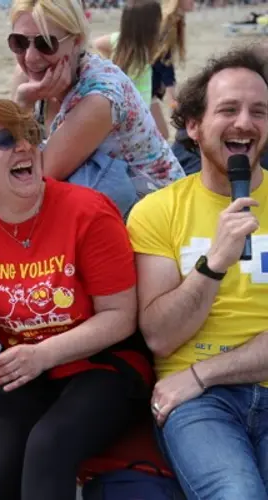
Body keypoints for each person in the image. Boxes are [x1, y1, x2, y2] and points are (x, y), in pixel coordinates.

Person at [0, 98, 153, 500]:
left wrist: (42, 355)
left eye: (31, 134)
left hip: (102, 364)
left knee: (48, 446)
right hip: (23, 366)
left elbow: (120, 317)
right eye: (6, 139)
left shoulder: (88, 212)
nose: (25, 146)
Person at [127, 47, 268, 499]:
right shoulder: (156, 212)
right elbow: (161, 338)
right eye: (228, 109)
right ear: (192, 125)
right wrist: (214, 264)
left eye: (259, 111)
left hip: (199, 381)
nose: (245, 122)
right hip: (198, 406)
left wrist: (205, 372)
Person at [9, 0, 184, 217]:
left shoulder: (99, 97)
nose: (30, 57)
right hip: (111, 201)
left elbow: (37, 178)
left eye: (45, 43)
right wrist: (22, 102)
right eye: (19, 42)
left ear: (77, 41)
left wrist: (23, 104)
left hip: (158, 215)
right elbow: (10, 160)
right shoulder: (28, 77)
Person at [92, 0, 162, 108]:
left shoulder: (119, 40)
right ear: (150, 28)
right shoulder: (138, 58)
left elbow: (95, 44)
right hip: (136, 117)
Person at [150, 0, 194, 138]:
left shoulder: (175, 19)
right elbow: (161, 59)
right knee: (162, 134)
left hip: (151, 84)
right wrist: (171, 94)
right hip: (146, 84)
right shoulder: (167, 20)